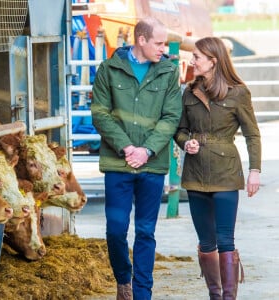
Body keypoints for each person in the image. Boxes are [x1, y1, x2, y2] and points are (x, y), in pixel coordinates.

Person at [91, 17, 182, 300]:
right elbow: (100, 113)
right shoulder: (109, 69)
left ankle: (142, 293)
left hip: (152, 166)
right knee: (116, 230)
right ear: (141, 40)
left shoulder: (168, 71)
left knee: (146, 231)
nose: (163, 48)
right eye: (158, 42)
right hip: (118, 163)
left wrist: (147, 150)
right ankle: (123, 279)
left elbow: (171, 117)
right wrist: (127, 147)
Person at [174, 36, 261, 300]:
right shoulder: (189, 92)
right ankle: (214, 294)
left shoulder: (238, 92)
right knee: (206, 243)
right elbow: (180, 130)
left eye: (197, 57)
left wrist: (254, 171)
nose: (192, 61)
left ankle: (229, 297)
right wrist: (185, 142)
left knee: (226, 240)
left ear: (213, 61)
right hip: (195, 174)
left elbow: (252, 135)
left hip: (225, 173)